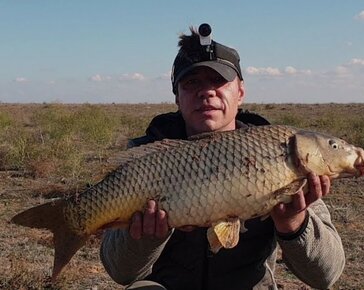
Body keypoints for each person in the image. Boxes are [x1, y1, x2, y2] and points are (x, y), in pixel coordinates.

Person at [100, 24, 345, 290]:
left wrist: (294, 223)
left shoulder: (281, 152)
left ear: (240, 92)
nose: (206, 91)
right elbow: (119, 272)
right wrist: (145, 238)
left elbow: (326, 275)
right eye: (192, 82)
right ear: (177, 97)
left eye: (218, 80)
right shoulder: (147, 157)